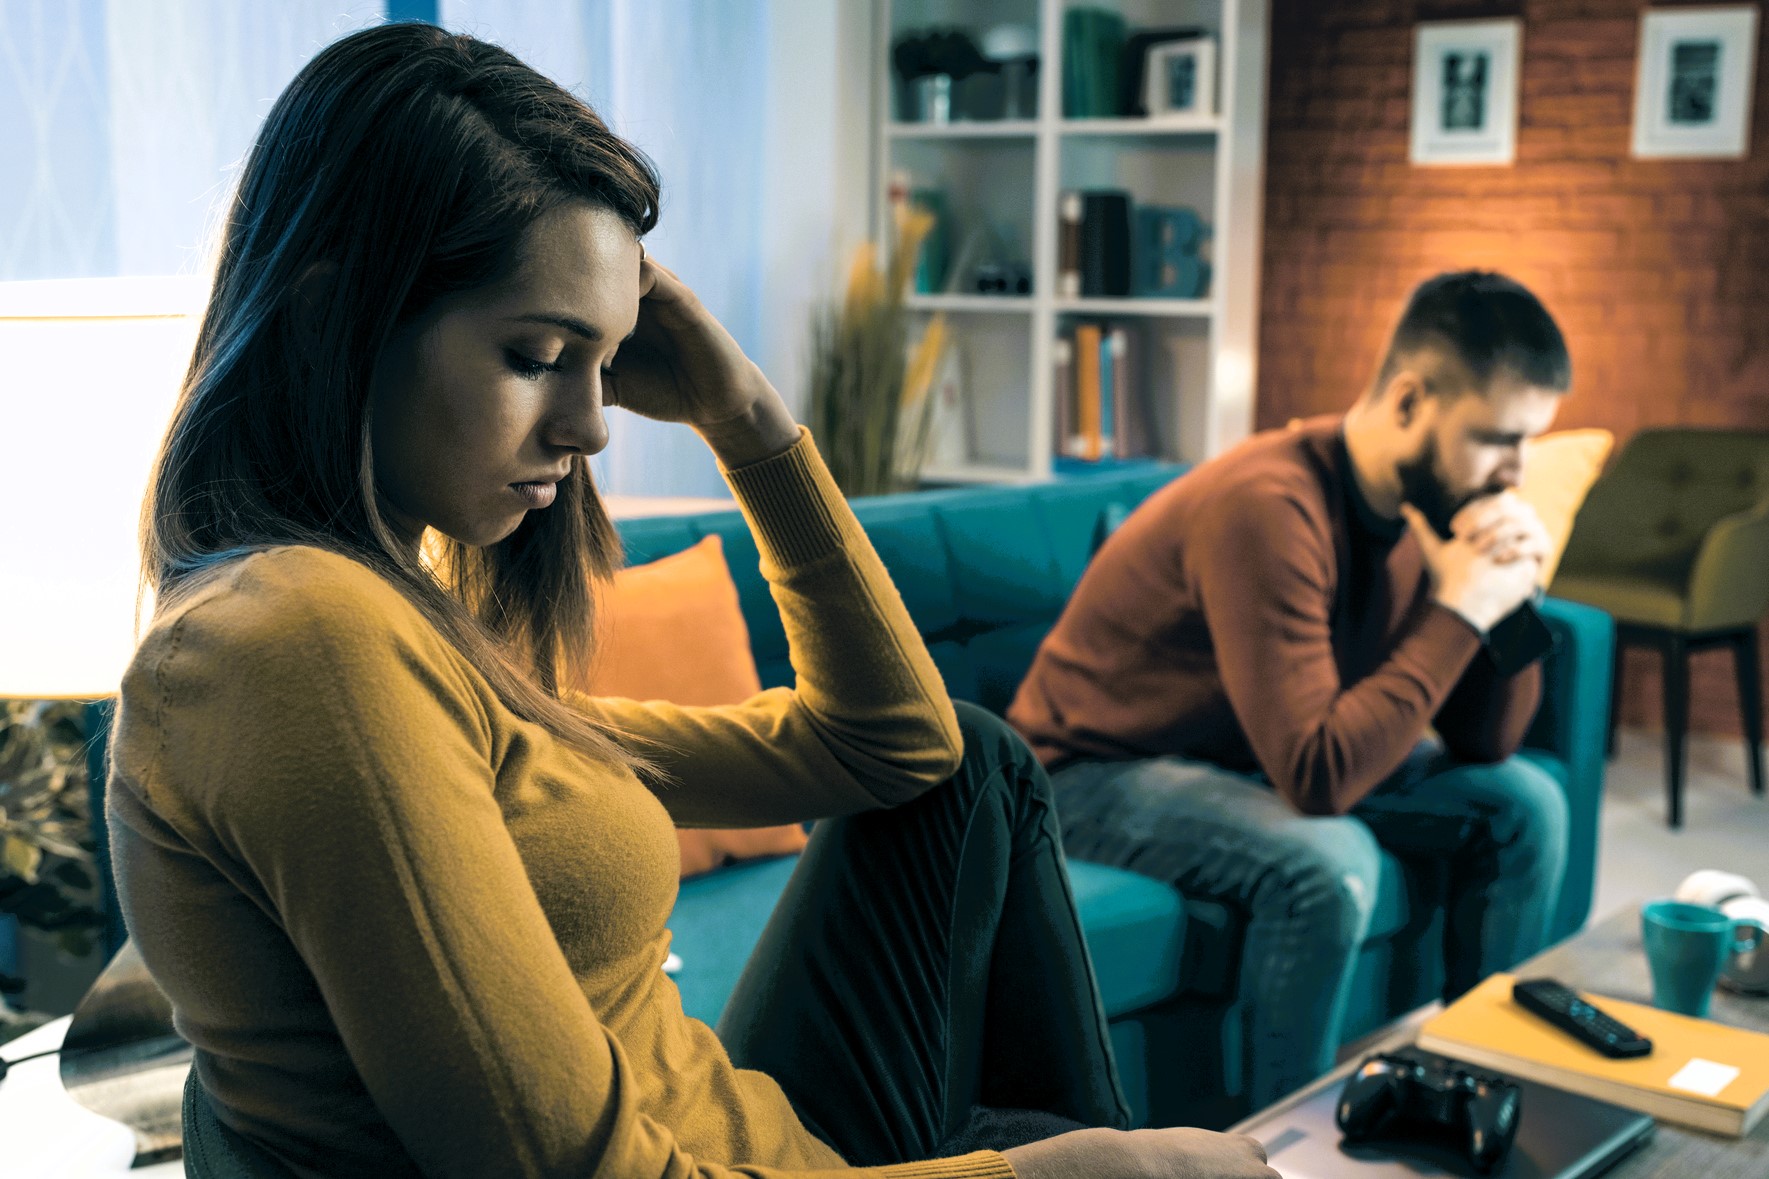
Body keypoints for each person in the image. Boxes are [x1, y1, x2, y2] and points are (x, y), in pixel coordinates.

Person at [107, 23, 1277, 1179]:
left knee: (974, 763)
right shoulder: (300, 640)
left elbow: (894, 751)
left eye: (604, 362)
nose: (590, 427)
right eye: (534, 354)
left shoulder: (406, 628)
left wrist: (748, 421)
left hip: (760, 1134)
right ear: (333, 314)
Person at [1009, 271, 1574, 1107]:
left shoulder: (1430, 505)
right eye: (1497, 439)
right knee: (1326, 861)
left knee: (1524, 801)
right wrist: (1458, 606)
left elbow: (1484, 740)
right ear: (1410, 401)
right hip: (1086, 773)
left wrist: (1509, 597)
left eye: (1528, 442)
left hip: (1243, 755)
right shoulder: (1269, 504)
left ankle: (1476, 1086)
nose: (1513, 473)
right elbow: (1316, 774)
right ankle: (1276, 1152)